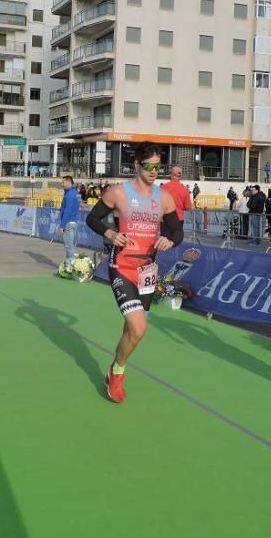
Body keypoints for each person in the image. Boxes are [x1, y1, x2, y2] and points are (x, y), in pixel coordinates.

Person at [85, 143, 183, 403]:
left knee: (132, 329)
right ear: (137, 165)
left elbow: (178, 231)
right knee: (138, 329)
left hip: (147, 272)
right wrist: (110, 233)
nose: (154, 171)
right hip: (122, 268)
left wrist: (170, 241)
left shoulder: (164, 198)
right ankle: (117, 373)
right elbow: (92, 218)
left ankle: (115, 366)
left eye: (158, 167)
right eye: (149, 166)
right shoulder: (118, 193)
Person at [161, 165, 193, 240]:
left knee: (164, 243)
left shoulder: (163, 188)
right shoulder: (184, 189)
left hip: (165, 219)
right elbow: (188, 207)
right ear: (180, 176)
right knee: (175, 242)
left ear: (171, 174)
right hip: (178, 219)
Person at [58, 175, 80, 266]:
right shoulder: (74, 192)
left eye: (63, 182)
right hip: (73, 221)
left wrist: (62, 225)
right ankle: (69, 264)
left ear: (68, 182)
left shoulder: (70, 194)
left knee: (69, 246)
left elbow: (67, 210)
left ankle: (70, 266)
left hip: (69, 222)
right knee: (70, 246)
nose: (62, 184)